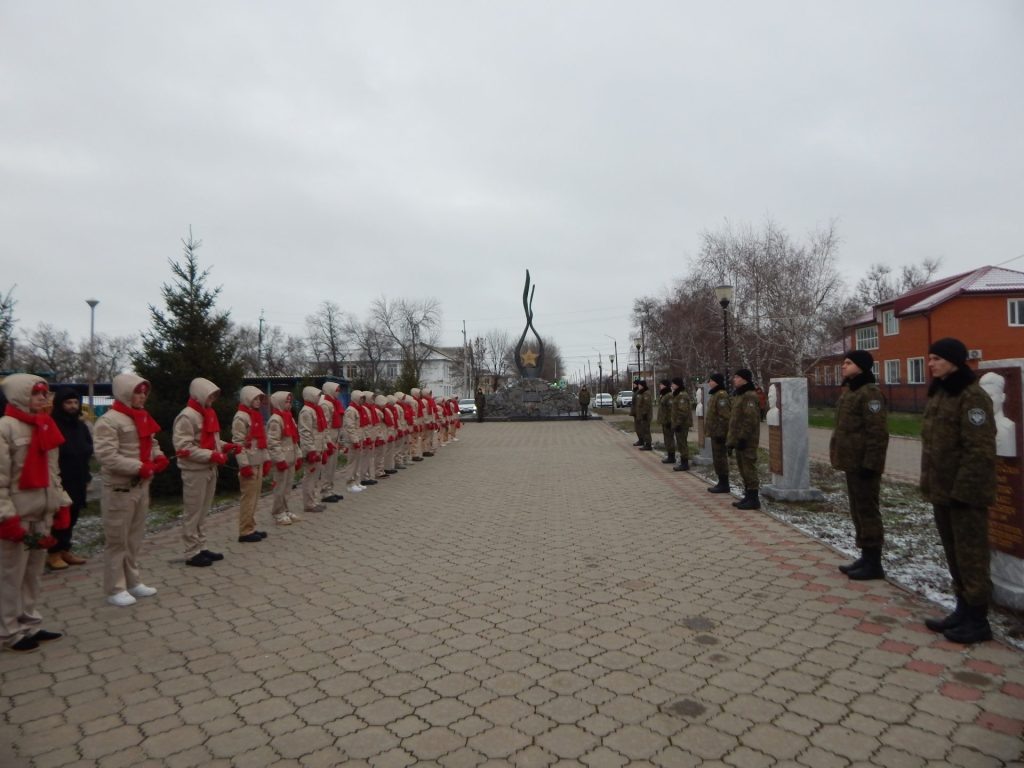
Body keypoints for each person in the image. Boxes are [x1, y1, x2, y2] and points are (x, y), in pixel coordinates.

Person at [920, 338, 996, 644]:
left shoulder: (972, 396)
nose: (931, 364)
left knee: (971, 555)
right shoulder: (941, 392)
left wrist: (964, 492)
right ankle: (962, 608)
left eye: (936, 358)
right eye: (929, 358)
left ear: (953, 360)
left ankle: (978, 619)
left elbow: (979, 449)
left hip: (965, 493)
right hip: (943, 489)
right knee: (954, 552)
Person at [0, 375, 71, 650]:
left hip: (42, 513)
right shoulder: (5, 428)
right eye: (36, 393)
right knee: (10, 576)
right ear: (20, 396)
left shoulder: (44, 424)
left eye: (45, 392)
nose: (43, 397)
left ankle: (29, 623)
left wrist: (61, 503)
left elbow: (53, 473)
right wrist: (5, 516)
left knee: (32, 574)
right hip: (17, 515)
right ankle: (7, 632)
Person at [94, 373, 170, 606]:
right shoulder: (109, 421)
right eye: (138, 391)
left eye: (144, 392)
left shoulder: (142, 416)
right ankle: (115, 588)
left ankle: (132, 581)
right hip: (120, 488)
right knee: (117, 540)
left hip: (140, 486)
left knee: (134, 538)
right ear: (125, 392)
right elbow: (106, 456)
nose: (142, 396)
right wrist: (139, 467)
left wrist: (159, 456)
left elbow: (151, 442)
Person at [830, 350, 890, 580]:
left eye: (848, 363)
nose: (843, 366)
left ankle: (874, 562)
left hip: (864, 464)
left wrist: (871, 464)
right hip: (852, 461)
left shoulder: (870, 394)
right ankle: (865, 555)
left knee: (867, 510)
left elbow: (877, 433)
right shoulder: (851, 392)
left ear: (861, 366)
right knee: (858, 509)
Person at [174, 378, 236, 567]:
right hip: (195, 471)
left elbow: (211, 441)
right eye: (210, 395)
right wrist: (212, 455)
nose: (213, 399)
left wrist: (225, 446)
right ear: (199, 394)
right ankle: (191, 551)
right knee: (193, 512)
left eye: (214, 396)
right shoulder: (187, 416)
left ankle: (201, 545)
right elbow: (184, 447)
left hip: (209, 468)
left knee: (203, 511)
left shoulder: (208, 413)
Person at [47, 387, 93, 570]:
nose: (73, 406)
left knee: (73, 515)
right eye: (68, 402)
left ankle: (65, 549)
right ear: (60, 404)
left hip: (79, 476)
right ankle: (53, 553)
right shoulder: (52, 423)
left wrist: (87, 475)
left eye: (75, 402)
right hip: (60, 477)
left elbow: (87, 448)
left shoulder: (81, 426)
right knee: (60, 516)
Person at [232, 385, 270, 543]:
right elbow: (238, 443)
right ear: (247, 398)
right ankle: (244, 531)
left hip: (257, 461)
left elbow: (262, 440)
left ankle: (251, 526)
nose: (258, 401)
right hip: (249, 463)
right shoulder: (241, 417)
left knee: (254, 498)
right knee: (248, 498)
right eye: (255, 398)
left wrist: (266, 459)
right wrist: (244, 465)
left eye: (259, 399)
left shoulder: (256, 415)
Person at [726, 369, 762, 509]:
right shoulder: (739, 395)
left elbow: (750, 419)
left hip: (748, 439)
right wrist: (732, 440)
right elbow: (735, 419)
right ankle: (748, 496)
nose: (734, 379)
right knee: (743, 468)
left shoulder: (749, 396)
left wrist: (743, 437)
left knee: (749, 467)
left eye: (737, 377)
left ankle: (754, 499)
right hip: (739, 438)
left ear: (744, 379)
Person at [266, 390, 301, 525]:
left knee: (287, 487)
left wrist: (298, 456)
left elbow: (294, 439)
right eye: (286, 402)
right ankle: (277, 512)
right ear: (279, 402)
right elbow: (273, 442)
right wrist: (279, 460)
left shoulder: (289, 417)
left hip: (290, 458)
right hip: (282, 460)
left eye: (290, 402)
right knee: (280, 488)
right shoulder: (276, 419)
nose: (289, 404)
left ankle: (285, 510)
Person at [297, 386, 327, 513]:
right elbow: (305, 433)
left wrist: (324, 447)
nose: (319, 398)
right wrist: (311, 451)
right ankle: (309, 504)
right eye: (317, 395)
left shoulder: (316, 409)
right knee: (310, 477)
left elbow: (322, 431)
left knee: (315, 477)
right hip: (312, 450)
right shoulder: (306, 411)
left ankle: (314, 501)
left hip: (318, 448)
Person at [705, 374, 732, 493]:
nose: (709, 383)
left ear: (716, 382)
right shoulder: (714, 395)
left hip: (719, 433)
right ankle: (721, 482)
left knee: (721, 457)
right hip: (715, 432)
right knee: (717, 457)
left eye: (711, 380)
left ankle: (724, 484)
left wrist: (722, 433)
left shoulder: (721, 395)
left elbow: (725, 416)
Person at [670, 377, 693, 472]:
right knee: (680, 443)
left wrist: (678, 423)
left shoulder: (682, 395)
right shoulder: (677, 395)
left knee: (682, 443)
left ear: (678, 384)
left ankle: (685, 463)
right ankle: (683, 462)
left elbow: (682, 411)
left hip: (682, 424)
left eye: (673, 383)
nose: (672, 385)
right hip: (679, 423)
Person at [657, 380, 675, 463]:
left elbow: (671, 410)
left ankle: (672, 456)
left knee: (669, 438)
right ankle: (669, 455)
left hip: (668, 421)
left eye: (661, 384)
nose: (660, 386)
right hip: (664, 421)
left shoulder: (669, 395)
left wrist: (669, 421)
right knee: (667, 438)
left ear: (665, 385)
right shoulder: (663, 395)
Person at [635, 380, 653, 450]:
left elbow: (646, 405)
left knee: (646, 430)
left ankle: (648, 444)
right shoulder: (642, 393)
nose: (638, 386)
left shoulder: (646, 393)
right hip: (642, 415)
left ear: (642, 385)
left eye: (639, 385)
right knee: (643, 429)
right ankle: (646, 443)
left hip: (646, 415)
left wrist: (644, 413)